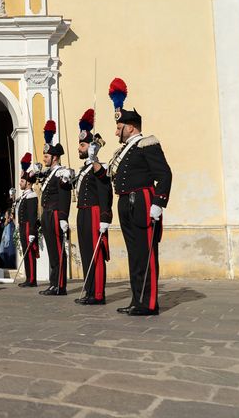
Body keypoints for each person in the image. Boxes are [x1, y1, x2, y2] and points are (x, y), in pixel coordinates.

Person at [107, 78, 172, 316]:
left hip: (143, 202)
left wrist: (159, 203)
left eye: (119, 127)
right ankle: (138, 299)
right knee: (134, 254)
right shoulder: (124, 150)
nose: (116, 132)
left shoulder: (147, 144)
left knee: (145, 252)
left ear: (130, 127)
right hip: (126, 202)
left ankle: (149, 303)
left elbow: (164, 174)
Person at [74, 109, 113, 305]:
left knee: (96, 254)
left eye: (82, 145)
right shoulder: (84, 169)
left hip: (95, 212)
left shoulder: (100, 167)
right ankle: (89, 291)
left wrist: (105, 217)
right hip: (82, 213)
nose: (79, 149)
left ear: (91, 147)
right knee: (86, 253)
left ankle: (97, 294)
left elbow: (105, 189)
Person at [37, 120, 73, 296]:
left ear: (55, 158)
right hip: (47, 215)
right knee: (52, 250)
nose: (44, 159)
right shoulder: (49, 174)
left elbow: (64, 196)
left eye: (46, 156)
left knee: (58, 250)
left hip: (56, 214)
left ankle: (59, 285)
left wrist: (63, 217)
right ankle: (53, 283)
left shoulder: (61, 173)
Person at [15, 153, 39, 287]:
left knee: (29, 253)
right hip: (23, 226)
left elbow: (32, 216)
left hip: (29, 226)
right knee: (26, 251)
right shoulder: (24, 196)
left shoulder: (32, 196)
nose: (20, 183)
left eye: (22, 181)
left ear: (28, 183)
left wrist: (32, 232)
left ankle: (32, 279)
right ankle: (29, 277)